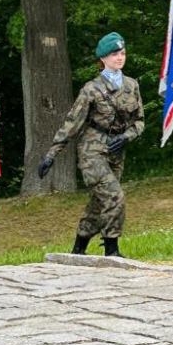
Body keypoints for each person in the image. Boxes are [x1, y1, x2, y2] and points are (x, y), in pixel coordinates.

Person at [37, 32, 144, 258]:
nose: (119, 57)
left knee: (98, 204)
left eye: (122, 53)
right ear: (103, 59)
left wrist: (126, 137)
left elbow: (139, 122)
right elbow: (72, 123)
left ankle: (78, 250)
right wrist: (51, 154)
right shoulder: (91, 89)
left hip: (116, 152)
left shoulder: (132, 85)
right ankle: (112, 250)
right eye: (114, 54)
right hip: (92, 151)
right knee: (115, 197)